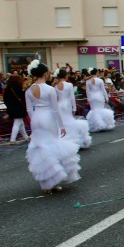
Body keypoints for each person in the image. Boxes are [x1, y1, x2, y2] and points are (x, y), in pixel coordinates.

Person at [24, 60, 81, 194]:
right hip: (48, 118)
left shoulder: (29, 90)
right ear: (45, 73)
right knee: (52, 147)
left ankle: (46, 183)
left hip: (36, 118)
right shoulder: (49, 89)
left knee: (41, 149)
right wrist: (62, 126)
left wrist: (34, 121)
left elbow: (29, 109)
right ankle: (52, 181)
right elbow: (55, 109)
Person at [54, 70, 91, 149]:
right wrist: (74, 108)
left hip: (59, 104)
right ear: (65, 76)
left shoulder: (55, 85)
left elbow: (55, 98)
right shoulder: (69, 85)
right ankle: (72, 139)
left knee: (62, 121)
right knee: (69, 120)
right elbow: (72, 97)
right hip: (67, 104)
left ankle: (62, 138)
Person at [2, 74, 29, 143]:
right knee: (17, 123)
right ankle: (12, 139)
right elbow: (23, 97)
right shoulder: (20, 87)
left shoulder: (7, 89)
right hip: (19, 107)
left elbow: (5, 99)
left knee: (20, 122)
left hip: (11, 107)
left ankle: (26, 137)